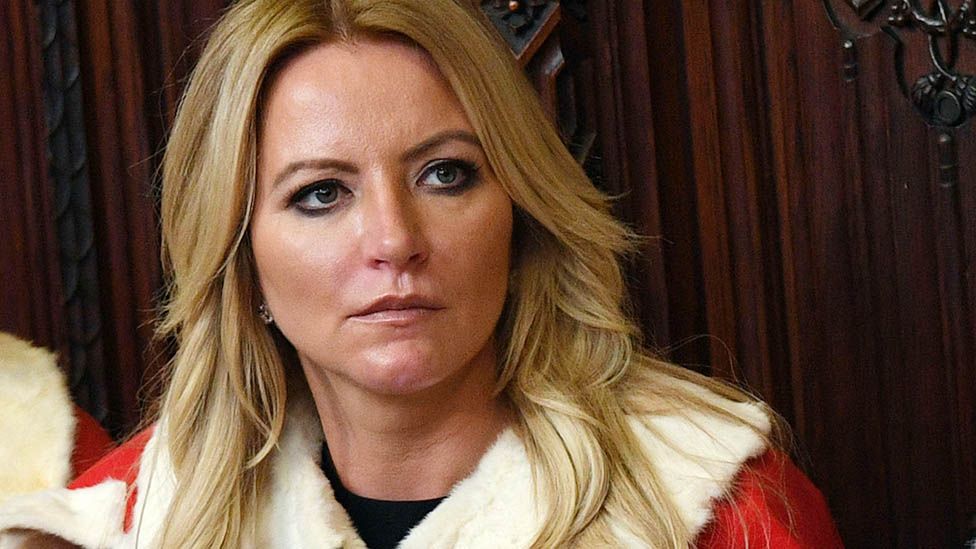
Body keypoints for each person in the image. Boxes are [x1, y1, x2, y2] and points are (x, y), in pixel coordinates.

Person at [0, 0, 842, 547]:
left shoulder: (721, 510)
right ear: (242, 262)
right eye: (321, 193)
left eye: (445, 174)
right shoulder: (124, 521)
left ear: (519, 216)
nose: (394, 239)